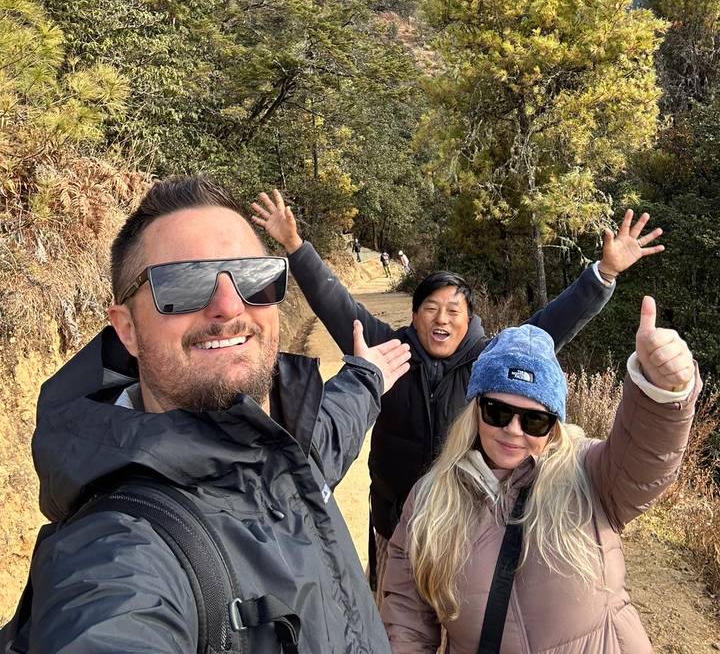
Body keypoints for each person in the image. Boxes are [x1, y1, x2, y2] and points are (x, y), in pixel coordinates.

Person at [4, 176, 411, 654]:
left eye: (252, 277)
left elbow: (332, 427)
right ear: (127, 330)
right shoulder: (118, 552)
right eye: (183, 283)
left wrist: (366, 376)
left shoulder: (285, 453)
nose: (228, 304)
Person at [251, 191, 665, 597]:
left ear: (471, 321)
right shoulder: (388, 351)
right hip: (392, 523)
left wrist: (603, 274)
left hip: (466, 527)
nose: (441, 318)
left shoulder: (492, 362)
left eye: (454, 311)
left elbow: (550, 325)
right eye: (430, 308)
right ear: (414, 316)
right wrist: (294, 246)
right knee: (388, 616)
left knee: (456, 621)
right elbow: (335, 304)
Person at [380, 300, 699, 653]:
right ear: (475, 409)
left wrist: (659, 392)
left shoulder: (589, 473)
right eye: (497, 411)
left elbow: (643, 463)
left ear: (555, 425)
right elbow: (407, 619)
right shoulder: (430, 498)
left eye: (534, 420)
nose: (513, 431)